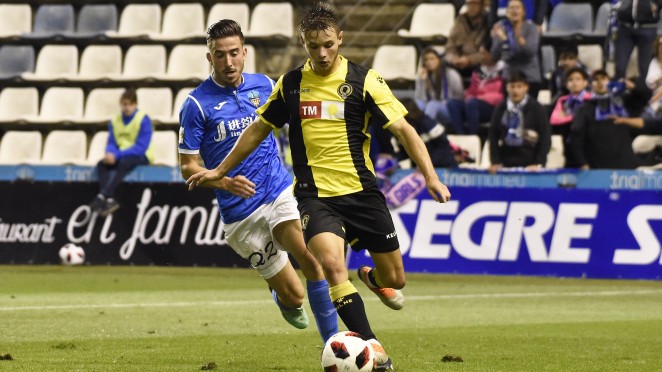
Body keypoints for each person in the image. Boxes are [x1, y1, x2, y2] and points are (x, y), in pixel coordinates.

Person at [186, 4, 451, 370]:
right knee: (329, 265)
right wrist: (220, 171)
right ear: (304, 43)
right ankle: (373, 349)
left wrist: (431, 176)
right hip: (315, 197)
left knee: (396, 278)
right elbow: (258, 130)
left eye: (328, 44)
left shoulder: (365, 81)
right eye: (313, 46)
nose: (322, 53)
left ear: (340, 39)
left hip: (362, 193)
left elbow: (405, 130)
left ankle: (374, 279)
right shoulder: (291, 85)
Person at [178, 19, 338, 344]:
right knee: (294, 297)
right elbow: (188, 166)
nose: (228, 62)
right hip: (241, 216)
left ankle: (334, 347)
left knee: (311, 259)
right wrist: (224, 182)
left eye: (234, 53)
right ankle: (280, 294)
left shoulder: (265, 84)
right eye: (220, 55)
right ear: (209, 58)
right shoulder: (195, 105)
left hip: (278, 191)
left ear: (245, 52)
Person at [89, 89, 153, 216]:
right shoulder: (115, 120)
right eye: (124, 104)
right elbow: (111, 141)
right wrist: (110, 154)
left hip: (142, 155)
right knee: (102, 164)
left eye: (129, 104)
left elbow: (141, 147)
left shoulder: (144, 120)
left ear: (135, 105)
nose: (127, 107)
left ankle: (102, 195)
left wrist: (117, 155)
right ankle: (110, 199)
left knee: (123, 163)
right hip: (121, 154)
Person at [569, 69, 641, 169]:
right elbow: (576, 137)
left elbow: (645, 97)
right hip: (597, 166)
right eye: (596, 79)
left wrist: (632, 86)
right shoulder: (585, 108)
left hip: (625, 165)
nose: (600, 82)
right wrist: (582, 162)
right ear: (590, 85)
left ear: (610, 81)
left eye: (603, 78)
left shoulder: (623, 102)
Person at [488, 71, 551, 173]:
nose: (515, 90)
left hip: (531, 163)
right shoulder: (500, 108)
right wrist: (495, 161)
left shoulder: (537, 108)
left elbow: (545, 137)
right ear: (506, 87)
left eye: (519, 86)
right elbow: (493, 136)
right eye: (512, 86)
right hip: (505, 162)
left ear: (526, 87)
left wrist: (538, 163)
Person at [490, 0, 542, 99]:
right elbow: (495, 55)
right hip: (509, 77)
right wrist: (501, 41)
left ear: (523, 12)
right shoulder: (502, 28)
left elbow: (529, 52)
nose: (514, 11)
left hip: (529, 76)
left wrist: (507, 40)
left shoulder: (531, 29)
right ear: (507, 12)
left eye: (517, 8)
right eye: (511, 8)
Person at [447, 46, 504, 135]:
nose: (481, 57)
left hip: (492, 108)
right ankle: (461, 135)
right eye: (480, 54)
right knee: (452, 103)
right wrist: (469, 96)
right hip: (474, 104)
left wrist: (480, 98)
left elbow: (501, 95)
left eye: (484, 54)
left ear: (492, 54)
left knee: (472, 103)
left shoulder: (503, 71)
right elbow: (471, 91)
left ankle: (473, 136)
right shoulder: (478, 71)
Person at [415, 47, 464, 129]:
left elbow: (459, 97)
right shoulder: (425, 76)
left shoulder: (451, 74)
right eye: (426, 60)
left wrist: (443, 103)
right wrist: (421, 81)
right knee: (418, 104)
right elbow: (419, 98)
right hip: (431, 108)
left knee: (433, 105)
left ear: (439, 60)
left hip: (449, 110)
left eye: (432, 59)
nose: (429, 62)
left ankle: (426, 130)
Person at [614, 0, 660, 83]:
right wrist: (619, 5)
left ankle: (644, 93)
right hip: (625, 27)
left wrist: (655, 4)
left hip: (648, 27)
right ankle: (619, 92)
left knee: (645, 67)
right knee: (620, 65)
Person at [444, 0, 489, 79]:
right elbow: (450, 46)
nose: (471, 7)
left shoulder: (488, 22)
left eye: (475, 3)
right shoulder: (460, 21)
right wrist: (452, 58)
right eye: (469, 3)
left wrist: (469, 60)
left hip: (479, 64)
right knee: (440, 64)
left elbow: (489, 53)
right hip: (458, 61)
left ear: (482, 5)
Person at [549, 67, 592, 140]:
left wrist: (568, 116)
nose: (574, 82)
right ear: (566, 84)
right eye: (570, 80)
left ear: (585, 83)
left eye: (578, 79)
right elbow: (554, 120)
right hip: (568, 137)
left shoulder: (591, 99)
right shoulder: (563, 100)